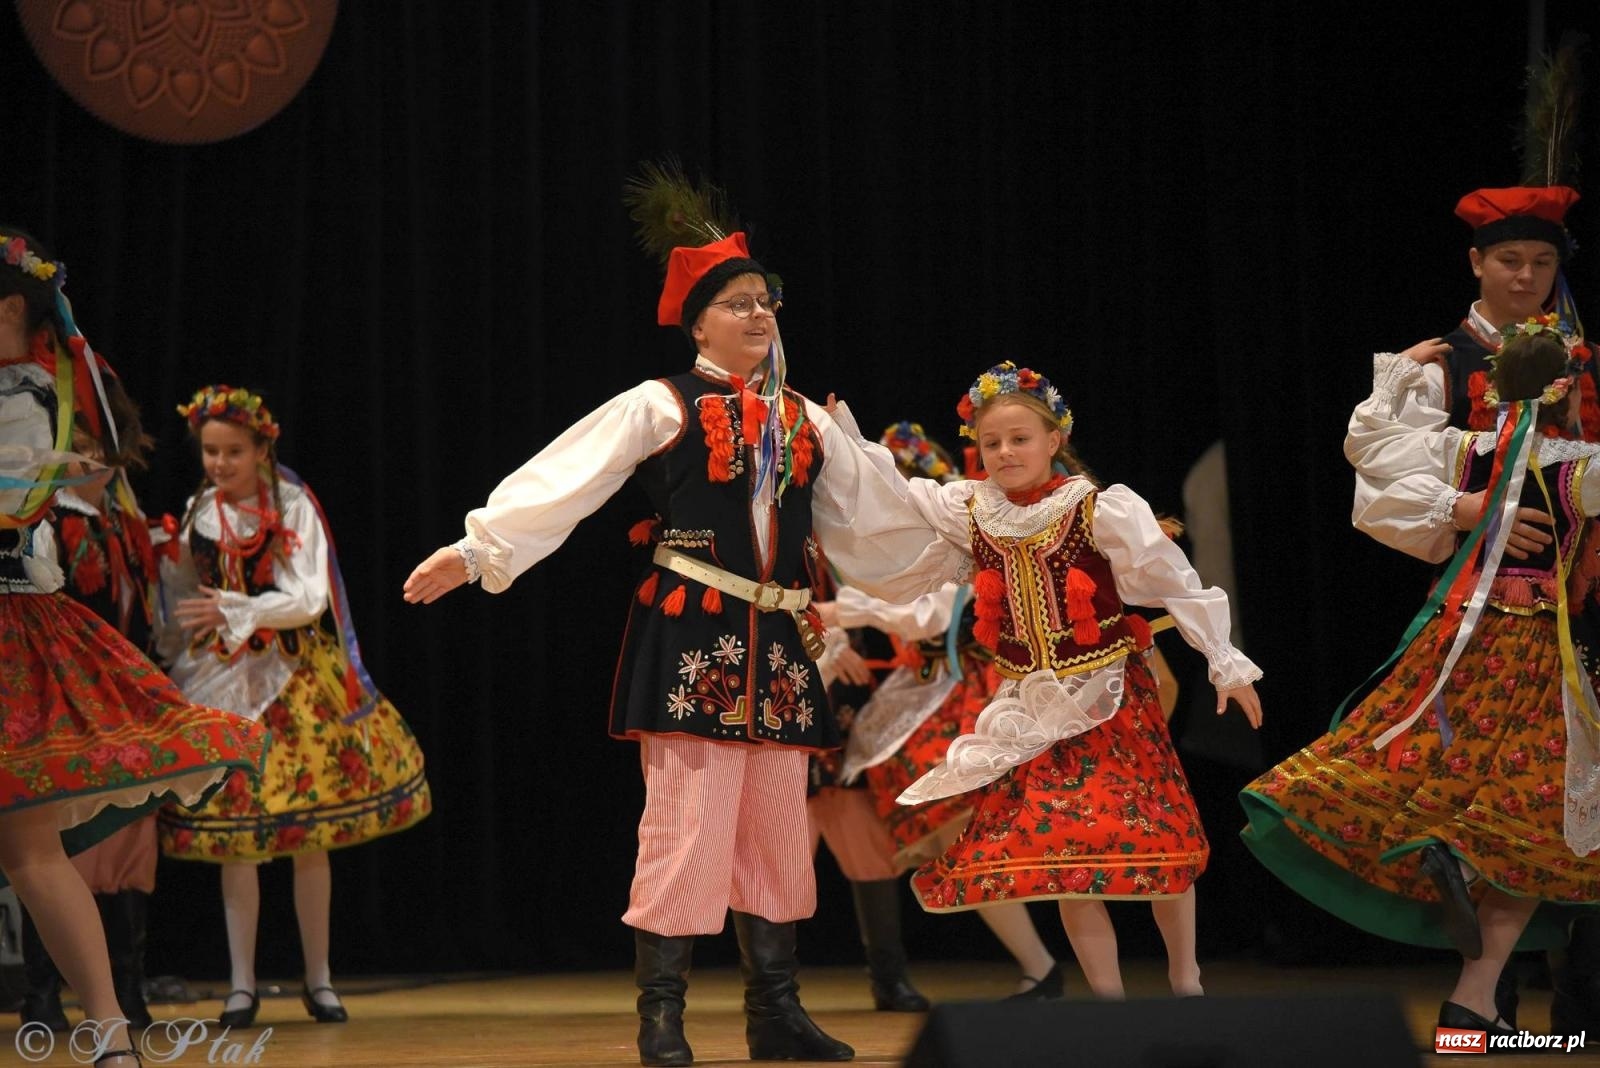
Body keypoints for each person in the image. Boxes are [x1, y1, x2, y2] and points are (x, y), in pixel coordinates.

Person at [403, 165, 961, 1067]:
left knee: (778, 831)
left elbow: (879, 521)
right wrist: (477, 550)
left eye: (764, 303)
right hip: (693, 635)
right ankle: (661, 1017)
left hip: (780, 646)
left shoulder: (807, 420)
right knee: (688, 826)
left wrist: (982, 534)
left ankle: (773, 1013)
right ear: (697, 321)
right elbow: (569, 476)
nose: (756, 315)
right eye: (736, 303)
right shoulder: (662, 402)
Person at [1244, 319, 1600, 1034]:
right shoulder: (1584, 466)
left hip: (1457, 645)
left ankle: (1470, 1002)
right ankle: (1459, 870)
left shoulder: (1463, 450)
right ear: (1571, 391)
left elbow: (1372, 450)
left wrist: (1398, 376)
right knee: (1536, 820)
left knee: (1458, 779)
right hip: (1533, 654)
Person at [880, 362, 1263, 1002]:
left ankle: (1185, 979)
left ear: (1054, 438)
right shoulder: (975, 511)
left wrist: (1223, 659)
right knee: (1063, 857)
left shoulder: (1094, 507)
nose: (1004, 452)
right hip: (1035, 710)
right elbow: (893, 491)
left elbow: (1174, 579)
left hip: (1110, 700)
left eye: (1019, 439)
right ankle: (1108, 1006)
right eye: (991, 442)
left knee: (1155, 836)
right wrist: (832, 432)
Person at [1, 227, 267, 1068]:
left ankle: (112, 1028)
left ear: (10, 309)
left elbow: (16, 500)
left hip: (13, 630)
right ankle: (110, 1030)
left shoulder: (25, 394)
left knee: (31, 848)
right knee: (29, 851)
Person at [1349, 185, 1596, 1028]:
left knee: (1549, 801)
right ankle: (1480, 995)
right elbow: (1373, 485)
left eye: (1541, 262)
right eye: (1509, 261)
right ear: (1476, 264)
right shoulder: (1432, 364)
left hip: (1580, 598)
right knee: (1511, 792)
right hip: (1484, 610)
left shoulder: (1581, 358)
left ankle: (1508, 1004)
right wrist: (1468, 510)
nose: (1525, 276)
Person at [156, 385, 432, 1028]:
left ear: (261, 449)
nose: (220, 464)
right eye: (210, 452)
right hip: (221, 679)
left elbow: (309, 597)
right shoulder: (200, 506)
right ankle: (241, 984)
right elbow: (181, 590)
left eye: (232, 452)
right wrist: (173, 651)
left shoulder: (292, 503)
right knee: (239, 842)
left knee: (310, 836)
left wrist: (237, 608)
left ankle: (319, 978)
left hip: (293, 676)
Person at [19, 399, 164, 1033]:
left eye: (105, 456)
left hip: (118, 696)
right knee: (48, 844)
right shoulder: (47, 522)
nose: (96, 466)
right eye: (84, 454)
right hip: (60, 695)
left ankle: (126, 993)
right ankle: (43, 994)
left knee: (129, 842)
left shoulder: (127, 526)